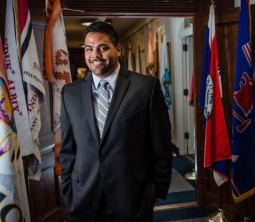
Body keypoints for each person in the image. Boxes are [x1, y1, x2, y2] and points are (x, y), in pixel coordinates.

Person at [59, 21, 173, 222]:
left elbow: (161, 146)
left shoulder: (146, 88)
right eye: (89, 49)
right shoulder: (70, 93)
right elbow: (68, 149)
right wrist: (67, 190)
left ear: (117, 49)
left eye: (102, 47)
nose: (95, 55)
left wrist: (155, 192)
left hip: (132, 197)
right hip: (82, 197)